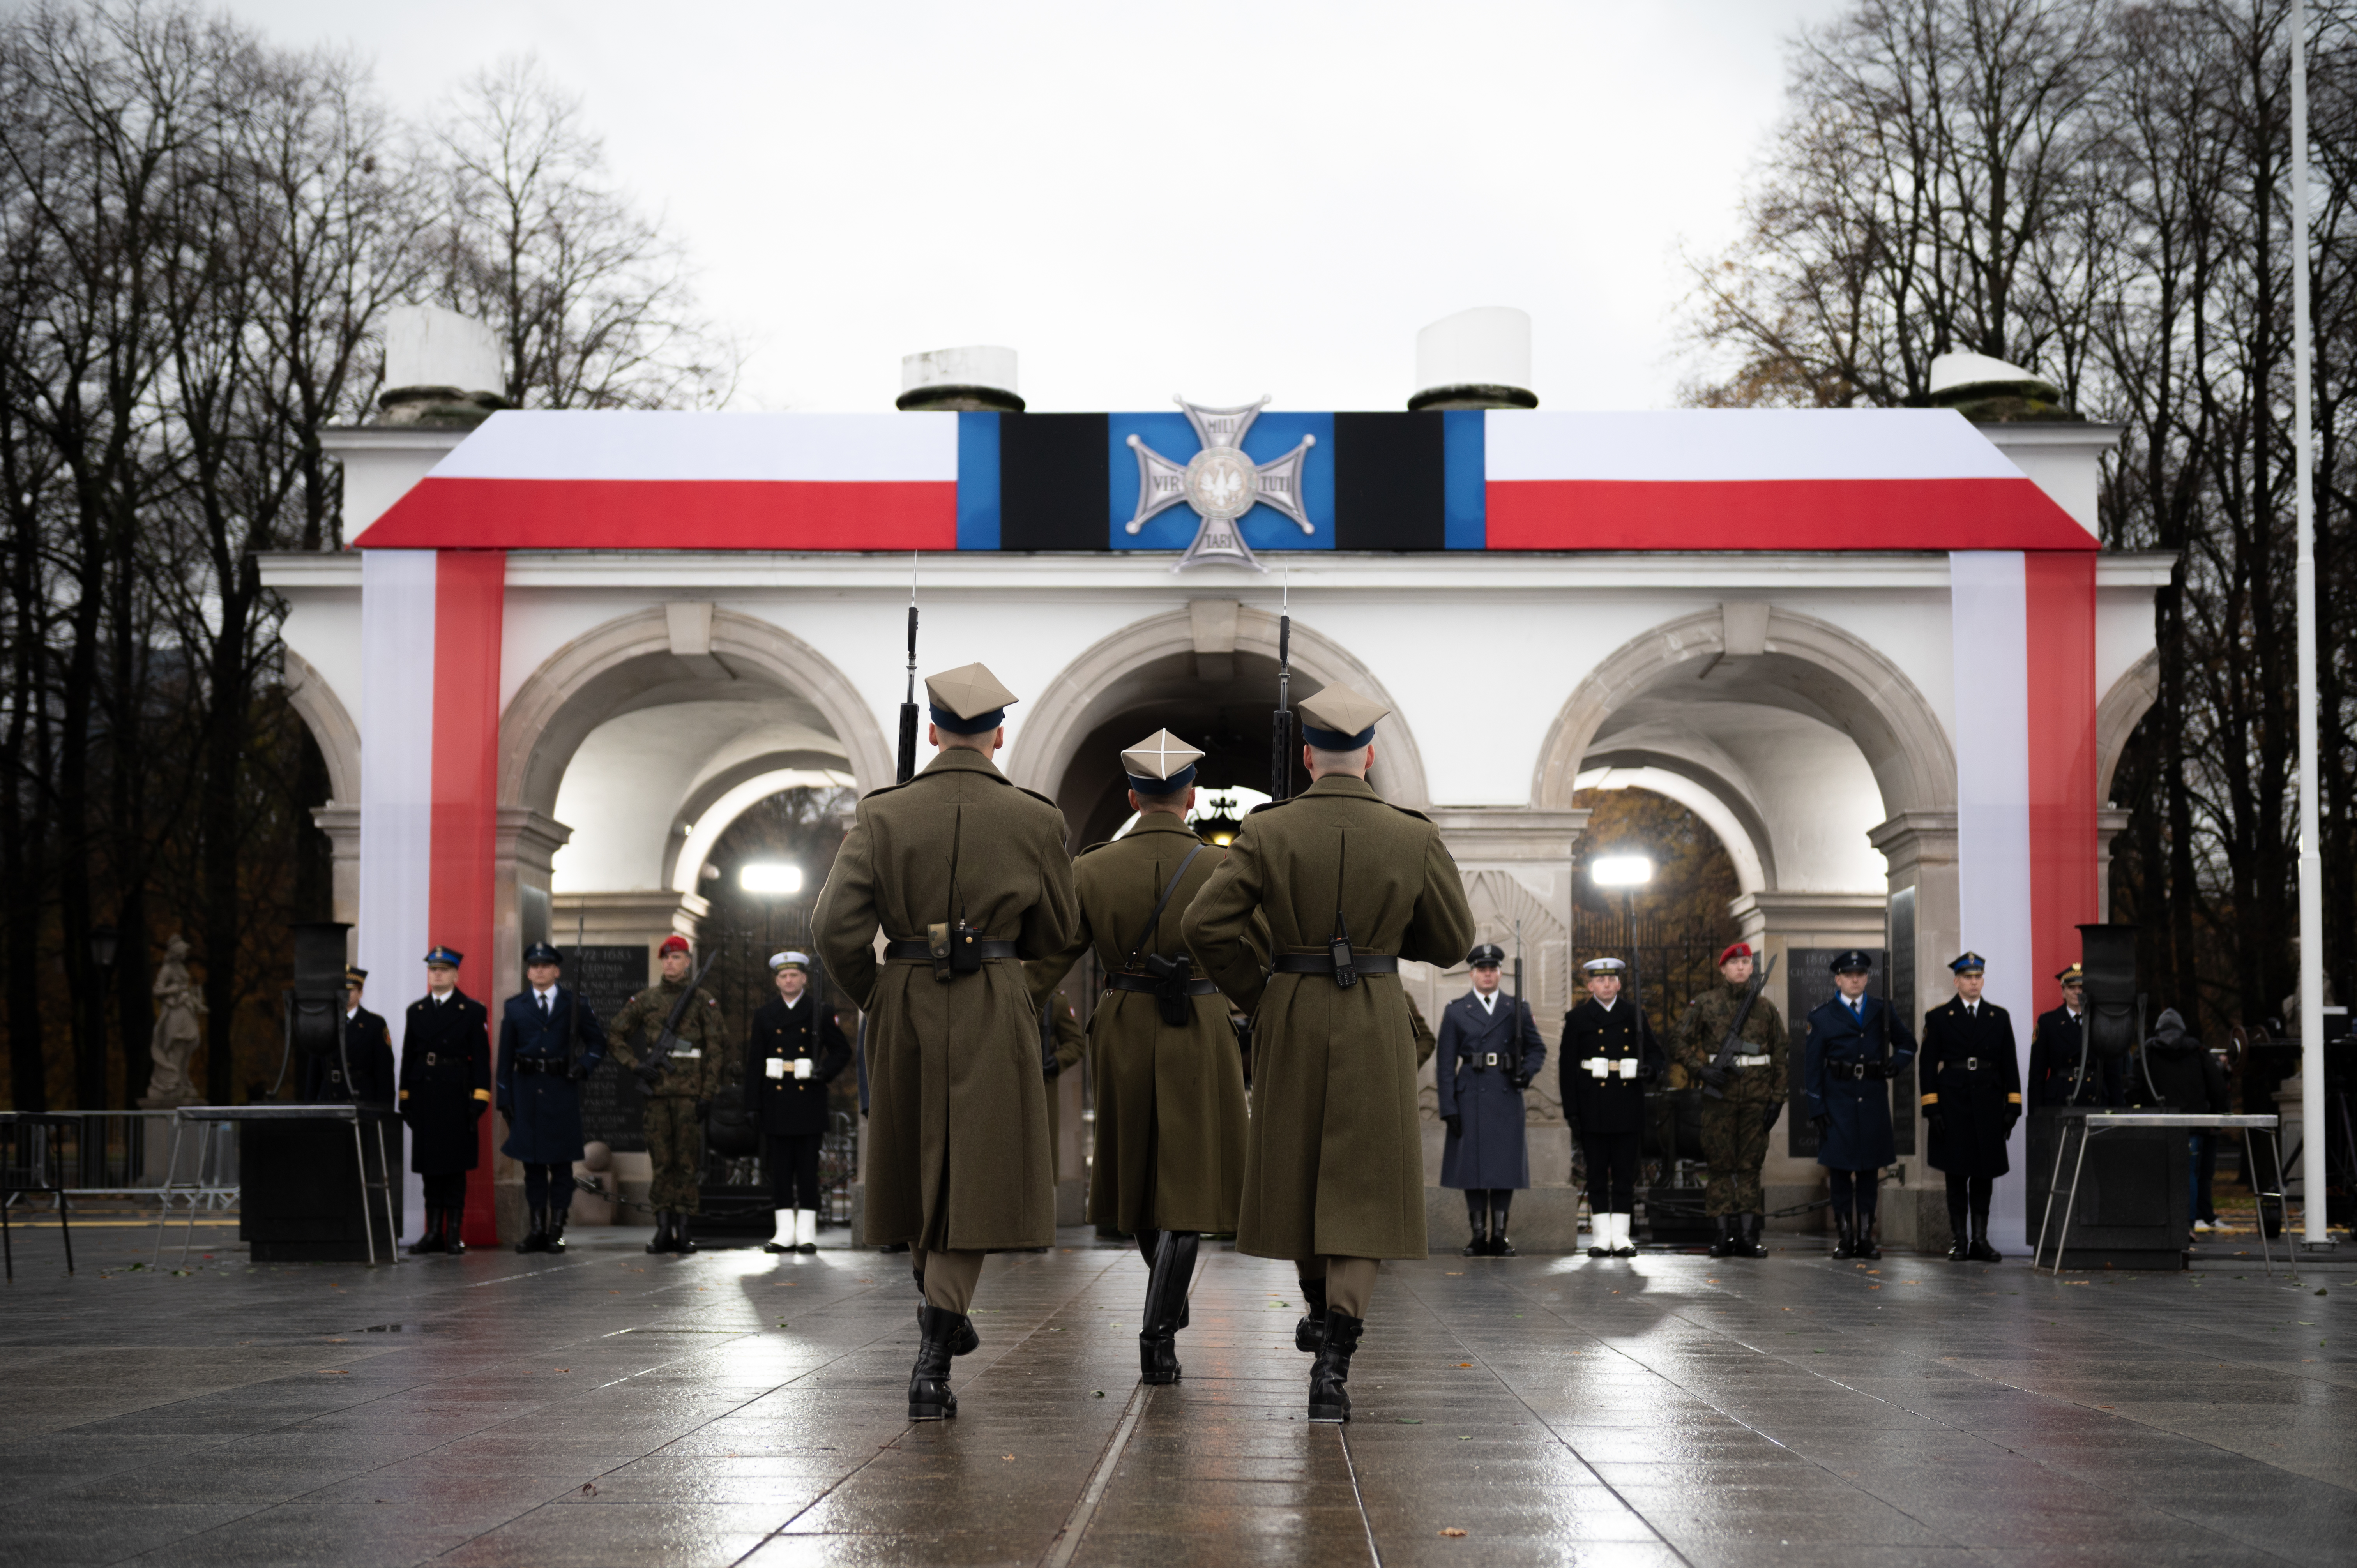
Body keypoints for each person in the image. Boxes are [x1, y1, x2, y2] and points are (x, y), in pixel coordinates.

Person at [1184, 681, 1475, 1424]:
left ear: (1309, 756)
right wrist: (1382, 938)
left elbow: (1206, 925)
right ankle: (1335, 1357)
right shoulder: (1411, 833)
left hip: (1291, 1006)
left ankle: (1320, 1309)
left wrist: (1260, 990)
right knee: (1365, 1181)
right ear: (1369, 754)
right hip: (1374, 1011)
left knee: (1299, 1167)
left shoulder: (1268, 829)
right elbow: (1449, 942)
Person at [815, 662, 1078, 1421]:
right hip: (994, 1000)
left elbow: (833, 929)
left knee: (914, 1162)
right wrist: (1017, 987)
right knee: (971, 1170)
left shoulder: (885, 812)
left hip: (902, 994)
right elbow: (1061, 932)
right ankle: (936, 1349)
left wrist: (880, 994)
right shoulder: (1036, 818)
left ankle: (940, 1313)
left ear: (932, 729)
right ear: (1000, 734)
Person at [1029, 728, 1247, 1386]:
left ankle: (1165, 1305)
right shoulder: (1224, 868)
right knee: (1186, 1180)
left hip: (1124, 1023)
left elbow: (1048, 959)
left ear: (1131, 795)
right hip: (1200, 1021)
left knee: (1142, 1177)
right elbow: (1256, 952)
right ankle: (1160, 1328)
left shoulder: (1091, 868)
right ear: (1190, 797)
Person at [606, 934, 729, 1255]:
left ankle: (685, 1230)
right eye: (667, 958)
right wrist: (635, 1066)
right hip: (658, 1093)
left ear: (688, 962)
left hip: (690, 1095)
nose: (671, 963)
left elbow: (717, 1050)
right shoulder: (646, 1000)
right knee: (662, 1163)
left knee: (687, 1163)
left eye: (677, 958)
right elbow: (615, 1034)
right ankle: (663, 1230)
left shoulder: (703, 1000)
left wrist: (708, 1093)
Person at [1672, 942, 1787, 1260]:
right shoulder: (1706, 1004)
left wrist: (1778, 1099)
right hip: (1720, 1097)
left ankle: (1748, 1236)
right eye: (1734, 963)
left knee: (1751, 1166)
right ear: (1723, 969)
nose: (1741, 968)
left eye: (1746, 962)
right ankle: (1722, 1236)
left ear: (1752, 968)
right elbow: (1678, 1040)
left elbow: (1780, 1056)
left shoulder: (1765, 1009)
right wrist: (1702, 1070)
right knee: (1721, 1166)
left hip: (1756, 1097)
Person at [1802, 950, 1917, 1260]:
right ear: (1838, 979)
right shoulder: (1822, 1016)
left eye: (1861, 974)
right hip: (1837, 1101)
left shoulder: (1882, 1010)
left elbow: (1909, 1044)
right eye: (1849, 975)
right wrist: (1817, 1109)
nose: (1856, 979)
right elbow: (1812, 1068)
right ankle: (1845, 1237)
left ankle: (1866, 1236)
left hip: (1872, 1098)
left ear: (1867, 977)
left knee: (1869, 1171)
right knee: (1840, 1172)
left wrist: (1896, 1064)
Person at [1437, 942, 1546, 1257]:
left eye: (1493, 969)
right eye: (1482, 970)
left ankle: (1500, 1235)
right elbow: (1445, 1064)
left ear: (1500, 973)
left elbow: (1537, 1049)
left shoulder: (1517, 1008)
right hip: (1470, 1095)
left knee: (1503, 1166)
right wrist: (1448, 1107)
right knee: (1471, 1168)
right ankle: (1478, 1235)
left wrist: (1526, 1072)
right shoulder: (1456, 1011)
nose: (1487, 975)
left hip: (1505, 1093)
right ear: (1472, 974)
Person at [496, 941, 604, 1254]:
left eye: (545, 966)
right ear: (528, 971)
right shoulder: (516, 1007)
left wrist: (583, 1067)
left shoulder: (575, 1004)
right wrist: (505, 1097)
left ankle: (557, 1229)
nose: (539, 971)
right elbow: (505, 1057)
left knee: (560, 1167)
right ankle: (537, 1229)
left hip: (561, 1090)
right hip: (527, 1091)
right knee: (531, 1167)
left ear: (556, 971)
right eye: (534, 966)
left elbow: (597, 1043)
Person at [1919, 952, 2021, 1262]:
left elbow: (2010, 1065)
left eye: (1978, 977)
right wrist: (1932, 1109)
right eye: (1967, 977)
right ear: (1957, 981)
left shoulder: (1998, 1017)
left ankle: (1980, 1239)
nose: (1973, 982)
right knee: (1956, 1175)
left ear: (1983, 980)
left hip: (1989, 1103)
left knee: (1983, 1175)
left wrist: (2012, 1106)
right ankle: (1959, 1240)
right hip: (1953, 1104)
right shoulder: (1938, 1017)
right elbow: (1927, 1068)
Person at [746, 951, 851, 1254]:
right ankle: (783, 1233)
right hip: (776, 1101)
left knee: (807, 1169)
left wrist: (825, 1072)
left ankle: (805, 1232)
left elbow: (841, 1051)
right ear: (777, 980)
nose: (789, 980)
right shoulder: (764, 1014)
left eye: (794, 975)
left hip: (808, 1099)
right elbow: (755, 1062)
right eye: (783, 976)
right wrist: (752, 1104)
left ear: (805, 978)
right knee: (780, 1170)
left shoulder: (820, 1010)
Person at [1561, 956, 1660, 1259]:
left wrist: (1650, 1071)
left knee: (1623, 1174)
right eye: (1600, 980)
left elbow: (1657, 1056)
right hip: (1593, 1105)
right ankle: (1602, 1236)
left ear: (1619, 983)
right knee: (1595, 1174)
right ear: (1590, 985)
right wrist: (1572, 1112)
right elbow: (1567, 1069)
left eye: (1612, 979)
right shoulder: (1578, 1018)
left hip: (1627, 1103)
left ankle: (1621, 1236)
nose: (1606, 984)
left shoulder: (1634, 1015)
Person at [398, 946, 491, 1254]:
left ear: (456, 975)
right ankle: (432, 1232)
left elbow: (480, 1059)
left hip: (456, 1096)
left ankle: (453, 1234)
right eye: (432, 970)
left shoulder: (472, 1011)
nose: (437, 974)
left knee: (454, 1169)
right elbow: (408, 1055)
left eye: (443, 970)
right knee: (430, 1169)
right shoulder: (418, 1011)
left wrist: (479, 1100)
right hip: (425, 1094)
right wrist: (405, 1096)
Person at [2131, 1006, 2230, 1238]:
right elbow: (2217, 1087)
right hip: (2192, 1124)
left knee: (2156, 1173)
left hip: (2156, 1122)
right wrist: (2217, 1114)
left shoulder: (2147, 1052)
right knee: (2189, 1174)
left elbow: (2134, 1086)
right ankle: (2187, 1225)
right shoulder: (2198, 1051)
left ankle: (2157, 1224)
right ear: (2182, 1029)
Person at [2028, 964, 2119, 1109]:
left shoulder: (2102, 1022)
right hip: (2060, 1099)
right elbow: (2037, 1075)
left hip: (2096, 1099)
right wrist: (2035, 1117)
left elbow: (2113, 1075)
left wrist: (2119, 1115)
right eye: (2071, 988)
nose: (2077, 992)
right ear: (2063, 992)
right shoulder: (2048, 1022)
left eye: (2082, 988)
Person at [307, 964, 396, 1107]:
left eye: (350, 990)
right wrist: (309, 1107)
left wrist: (384, 1111)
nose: (345, 994)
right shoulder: (324, 1023)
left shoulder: (374, 1025)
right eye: (341, 990)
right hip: (328, 1099)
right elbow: (314, 1073)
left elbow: (384, 1073)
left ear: (360, 993)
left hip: (361, 1100)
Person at [1039, 984, 1085, 1181]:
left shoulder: (1055, 1000)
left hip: (1042, 1086)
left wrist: (1057, 1061)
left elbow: (1076, 1043)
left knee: (1041, 1160)